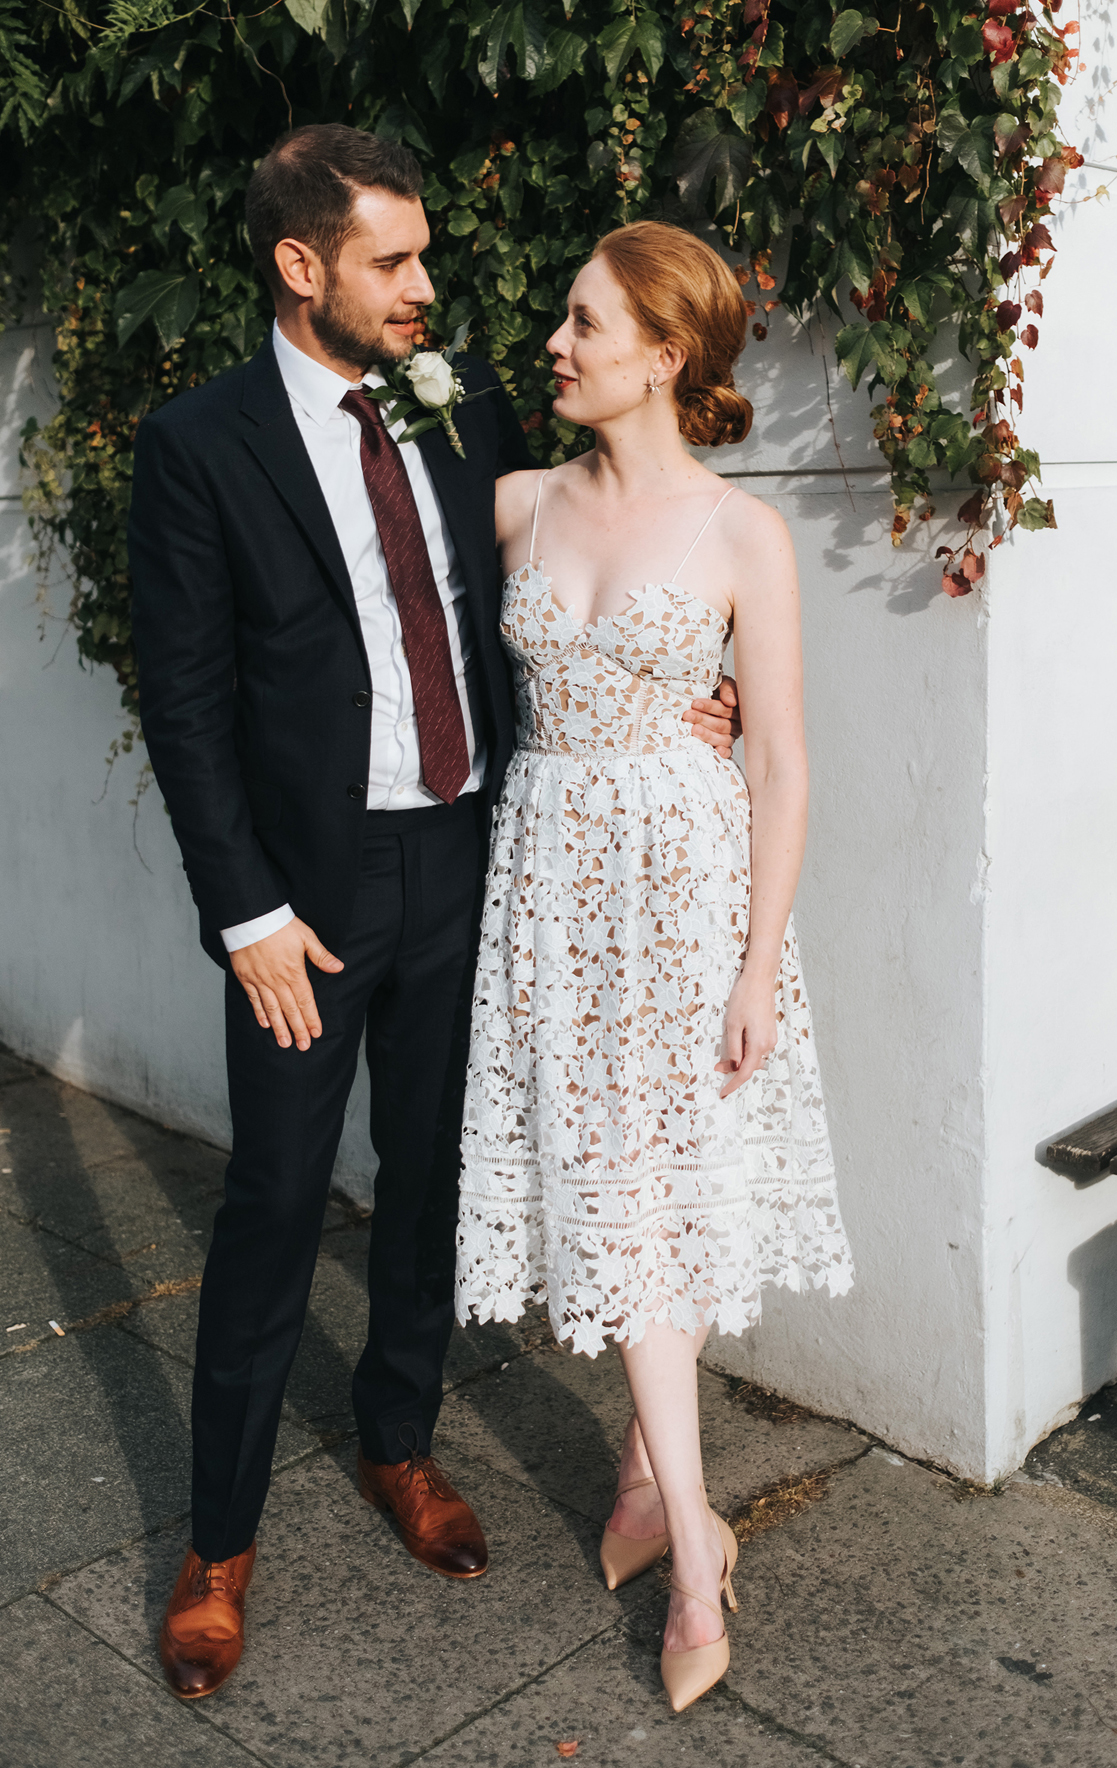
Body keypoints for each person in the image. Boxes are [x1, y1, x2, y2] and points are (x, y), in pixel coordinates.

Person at [128, 129, 738, 1701]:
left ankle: (398, 1442)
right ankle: (216, 1545)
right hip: (305, 909)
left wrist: (689, 704)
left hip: (471, 861)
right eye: (392, 261)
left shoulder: (448, 409)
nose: (425, 287)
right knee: (272, 1201)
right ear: (301, 266)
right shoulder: (201, 445)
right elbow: (185, 705)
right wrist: (243, 912)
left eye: (422, 256)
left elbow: (549, 602)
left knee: (428, 1178)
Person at [454, 220, 854, 1713]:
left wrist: (757, 964)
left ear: (663, 356)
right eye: (561, 318)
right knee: (615, 1194)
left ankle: (679, 1531)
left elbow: (785, 764)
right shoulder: (510, 502)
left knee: (652, 1196)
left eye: (582, 323)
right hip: (551, 885)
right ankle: (678, 1514)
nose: (552, 343)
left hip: (684, 898)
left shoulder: (746, 535)